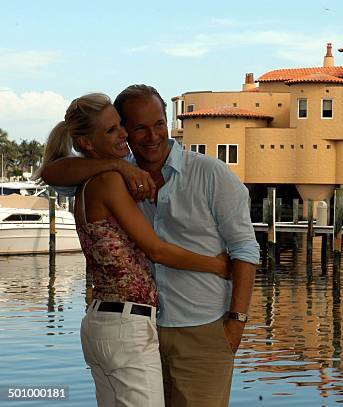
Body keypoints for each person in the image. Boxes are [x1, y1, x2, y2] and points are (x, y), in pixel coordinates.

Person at [42, 85, 259, 407]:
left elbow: (246, 250)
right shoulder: (115, 173)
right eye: (137, 127)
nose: (152, 135)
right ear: (127, 131)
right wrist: (118, 166)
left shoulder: (211, 174)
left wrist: (236, 324)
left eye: (158, 123)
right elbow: (51, 173)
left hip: (199, 329)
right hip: (139, 328)